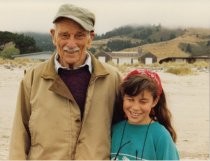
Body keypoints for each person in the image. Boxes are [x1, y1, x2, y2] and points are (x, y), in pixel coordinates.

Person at [9, 4, 123, 160]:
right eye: (64, 35)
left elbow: (129, 129)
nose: (71, 43)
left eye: (79, 35)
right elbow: (19, 136)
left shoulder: (113, 78)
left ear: (91, 38)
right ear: (53, 36)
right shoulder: (33, 78)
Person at [111, 69, 179, 160]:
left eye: (143, 102)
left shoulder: (161, 136)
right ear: (123, 97)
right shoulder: (114, 130)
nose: (135, 107)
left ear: (154, 101)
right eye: (130, 99)